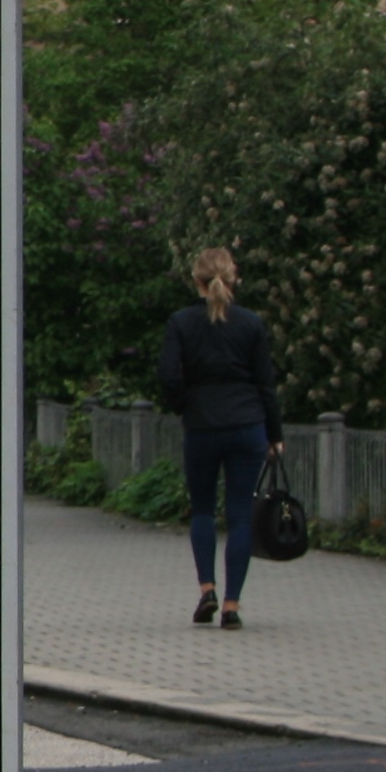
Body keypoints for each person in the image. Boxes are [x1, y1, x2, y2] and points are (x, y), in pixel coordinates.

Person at [158, 246, 282, 630]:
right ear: (233, 279)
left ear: (196, 280)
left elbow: (167, 375)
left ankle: (207, 589)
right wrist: (274, 434)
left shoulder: (181, 322)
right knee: (241, 514)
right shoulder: (250, 323)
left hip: (203, 426)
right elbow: (266, 383)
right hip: (247, 424)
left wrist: (184, 405)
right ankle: (231, 605)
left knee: (203, 510)